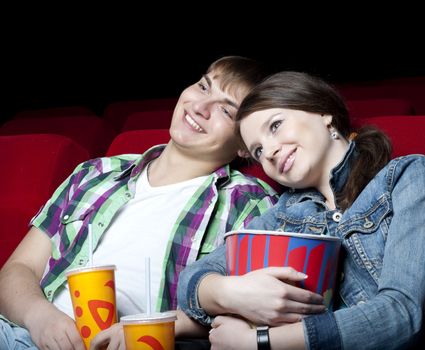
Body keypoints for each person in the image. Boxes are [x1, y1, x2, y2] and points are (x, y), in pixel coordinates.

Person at [177, 71, 425, 349]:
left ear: (323, 113)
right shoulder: (284, 214)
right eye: (258, 150)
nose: (270, 152)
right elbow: (193, 279)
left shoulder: (411, 177)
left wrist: (260, 342)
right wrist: (233, 295)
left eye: (275, 126)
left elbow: (403, 314)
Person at [0, 56, 278, 349]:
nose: (199, 107)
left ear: (245, 145)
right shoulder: (94, 174)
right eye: (203, 86)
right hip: (21, 335)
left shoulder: (250, 203)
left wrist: (151, 329)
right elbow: (17, 269)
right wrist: (39, 317)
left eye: (225, 109)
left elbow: (251, 314)